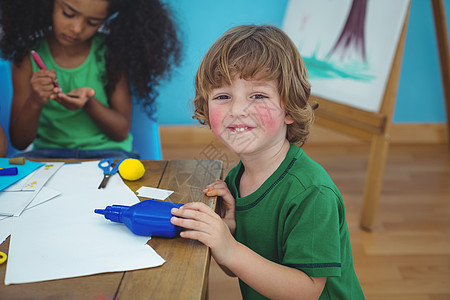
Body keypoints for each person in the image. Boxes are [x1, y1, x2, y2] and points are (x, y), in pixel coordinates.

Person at [170, 25, 365, 299]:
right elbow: (238, 269)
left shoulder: (311, 193)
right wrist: (229, 233)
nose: (237, 110)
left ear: (289, 108)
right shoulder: (235, 180)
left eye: (258, 95)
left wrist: (231, 248)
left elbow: (305, 291)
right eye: (223, 96)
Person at [0, 0, 181, 159]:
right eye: (69, 14)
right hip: (47, 155)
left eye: (92, 22)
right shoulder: (26, 58)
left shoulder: (110, 54)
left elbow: (121, 131)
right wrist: (35, 101)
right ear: (48, 4)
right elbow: (19, 141)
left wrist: (89, 104)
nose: (76, 28)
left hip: (108, 154)